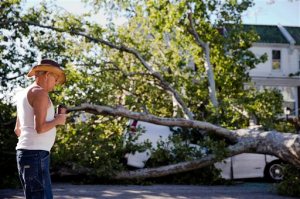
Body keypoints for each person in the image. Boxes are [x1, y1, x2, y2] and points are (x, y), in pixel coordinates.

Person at [14, 59, 67, 199]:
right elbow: (40, 128)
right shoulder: (40, 93)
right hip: (35, 155)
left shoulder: (22, 94)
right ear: (47, 74)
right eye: (55, 79)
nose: (56, 83)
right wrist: (58, 120)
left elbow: (17, 130)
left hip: (28, 154)